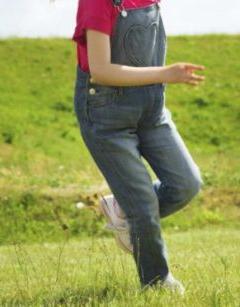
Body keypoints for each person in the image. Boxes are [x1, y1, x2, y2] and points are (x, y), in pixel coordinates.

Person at [72, 0, 205, 292]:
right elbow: (101, 70)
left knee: (187, 184)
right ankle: (156, 283)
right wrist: (165, 74)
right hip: (106, 114)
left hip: (151, 111)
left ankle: (124, 208)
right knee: (143, 206)